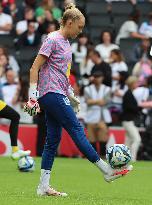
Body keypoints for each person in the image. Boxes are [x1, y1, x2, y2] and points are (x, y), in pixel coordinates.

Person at [24, 3, 133, 197]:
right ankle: (106, 170)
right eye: (79, 27)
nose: (81, 31)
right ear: (70, 22)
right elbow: (34, 68)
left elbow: (61, 72)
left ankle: (43, 186)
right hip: (50, 94)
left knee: (52, 141)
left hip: (58, 92)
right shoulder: (52, 39)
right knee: (76, 129)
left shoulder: (65, 42)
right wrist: (33, 98)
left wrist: (70, 92)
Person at [122, 76, 141, 162]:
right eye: (136, 83)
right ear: (132, 83)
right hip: (128, 120)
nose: (137, 84)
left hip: (127, 120)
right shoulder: (128, 94)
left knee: (128, 141)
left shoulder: (129, 93)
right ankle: (132, 158)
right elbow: (130, 108)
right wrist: (139, 107)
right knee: (137, 139)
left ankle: (124, 158)